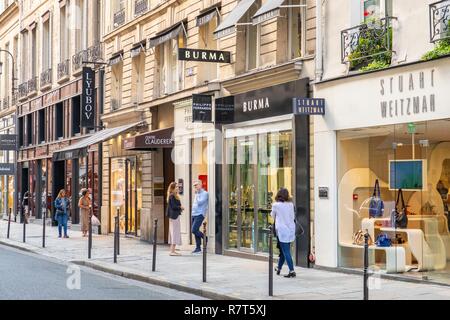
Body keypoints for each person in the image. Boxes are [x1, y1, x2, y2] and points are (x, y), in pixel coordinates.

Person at [271, 188, 296, 278]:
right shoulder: (290, 205)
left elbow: (272, 215)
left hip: (282, 230)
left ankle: (292, 270)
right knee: (284, 250)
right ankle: (279, 268)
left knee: (285, 251)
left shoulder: (276, 205)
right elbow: (292, 216)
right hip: (290, 229)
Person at [191, 180, 208, 254]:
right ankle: (198, 248)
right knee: (196, 231)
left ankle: (205, 238)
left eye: (196, 185)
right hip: (194, 214)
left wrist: (197, 194)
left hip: (200, 214)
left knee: (193, 230)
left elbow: (200, 203)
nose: (195, 186)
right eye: (194, 185)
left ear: (200, 185)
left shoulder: (204, 193)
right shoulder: (197, 194)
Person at [167, 182, 184, 256]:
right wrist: (180, 207)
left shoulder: (175, 196)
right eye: (176, 187)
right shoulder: (172, 196)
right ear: (173, 188)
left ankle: (173, 250)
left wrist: (180, 208)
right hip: (174, 217)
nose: (178, 187)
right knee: (174, 232)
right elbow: (173, 206)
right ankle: (172, 251)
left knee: (174, 232)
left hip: (175, 216)